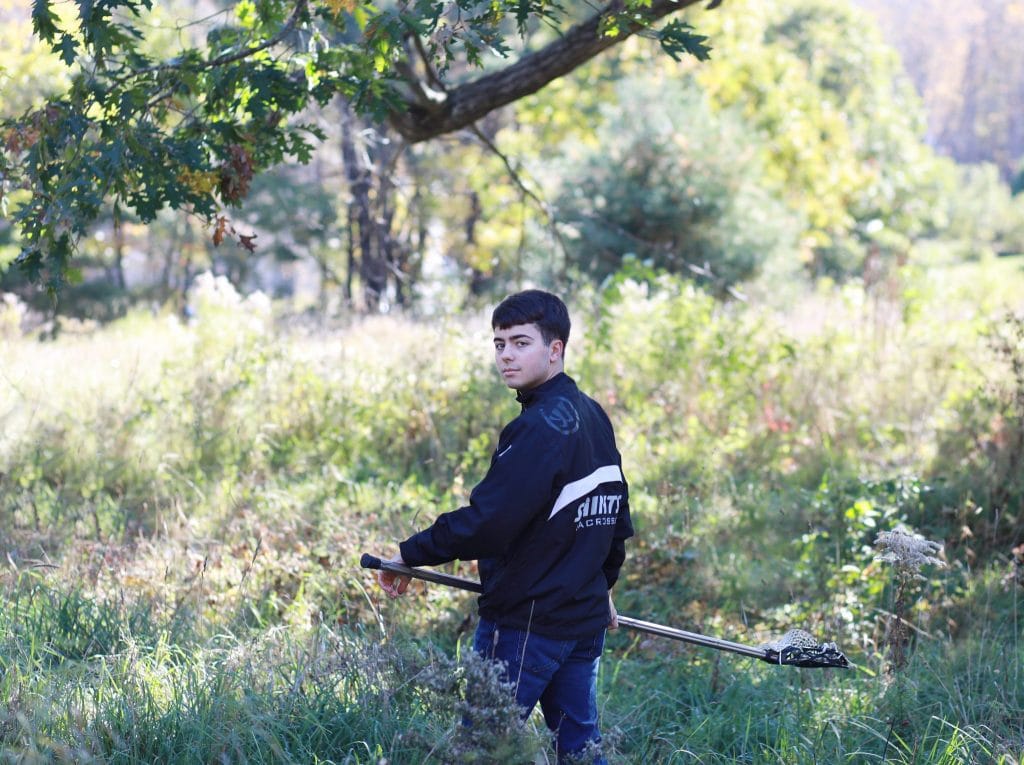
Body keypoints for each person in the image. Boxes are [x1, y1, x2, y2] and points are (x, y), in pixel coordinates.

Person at [377, 289, 632, 764]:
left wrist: (409, 553)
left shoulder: (539, 428)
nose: (506, 356)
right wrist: (601, 589)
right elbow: (615, 521)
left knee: (480, 753)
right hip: (580, 621)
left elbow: (488, 523)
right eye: (499, 344)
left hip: (526, 624)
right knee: (581, 752)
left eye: (520, 342)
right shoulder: (593, 415)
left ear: (555, 350)